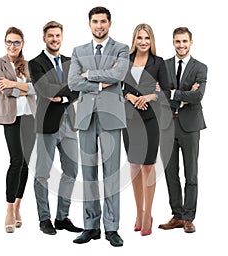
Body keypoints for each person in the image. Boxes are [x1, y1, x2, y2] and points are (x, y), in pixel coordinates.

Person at [68, 6, 129, 247]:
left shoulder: (121, 48)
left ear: (110, 23)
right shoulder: (77, 50)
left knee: (112, 174)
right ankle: (91, 226)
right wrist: (100, 84)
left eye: (103, 21)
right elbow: (73, 82)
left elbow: (119, 74)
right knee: (89, 174)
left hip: (111, 116)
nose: (99, 25)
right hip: (85, 117)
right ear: (89, 24)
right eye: (95, 21)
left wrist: (89, 74)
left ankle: (111, 228)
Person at [28, 21, 83, 235]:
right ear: (44, 38)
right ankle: (44, 219)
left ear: (62, 37)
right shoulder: (36, 63)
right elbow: (44, 89)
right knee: (43, 173)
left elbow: (78, 89)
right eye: (50, 36)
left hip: (70, 123)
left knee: (71, 171)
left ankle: (62, 217)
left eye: (57, 35)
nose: (54, 39)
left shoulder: (71, 61)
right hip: (47, 124)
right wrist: (65, 92)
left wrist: (61, 96)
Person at [122, 23, 170, 236]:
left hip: (150, 119)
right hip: (130, 120)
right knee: (133, 166)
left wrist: (150, 96)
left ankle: (148, 213)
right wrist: (129, 96)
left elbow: (166, 91)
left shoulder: (158, 63)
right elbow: (118, 87)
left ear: (151, 41)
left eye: (147, 38)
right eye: (139, 38)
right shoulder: (125, 61)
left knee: (147, 167)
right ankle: (139, 213)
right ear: (134, 39)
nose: (143, 42)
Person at [159, 27, 207, 233]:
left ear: (191, 42)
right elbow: (159, 95)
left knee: (191, 174)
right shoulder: (164, 65)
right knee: (171, 173)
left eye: (184, 41)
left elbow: (198, 96)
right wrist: (183, 94)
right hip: (167, 125)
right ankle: (177, 215)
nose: (181, 45)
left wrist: (172, 93)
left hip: (190, 126)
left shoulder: (200, 67)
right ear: (173, 42)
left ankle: (189, 217)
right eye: (177, 42)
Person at [0, 27, 36, 233]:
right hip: (11, 118)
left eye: (17, 42)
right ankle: (9, 209)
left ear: (22, 44)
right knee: (16, 160)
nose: (12, 46)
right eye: (9, 42)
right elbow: (6, 90)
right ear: (4, 42)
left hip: (30, 117)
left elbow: (37, 89)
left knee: (25, 163)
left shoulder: (28, 65)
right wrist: (21, 87)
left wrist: (18, 86)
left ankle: (18, 206)